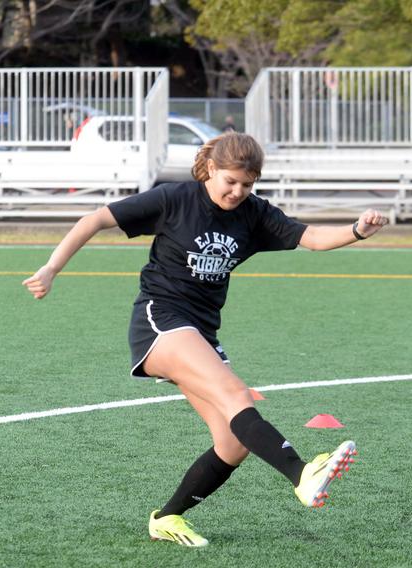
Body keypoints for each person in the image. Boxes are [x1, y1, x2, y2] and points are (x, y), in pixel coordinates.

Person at [23, 132, 388, 547]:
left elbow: (312, 238)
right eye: (230, 181)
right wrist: (52, 267)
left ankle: (165, 517)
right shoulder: (174, 199)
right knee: (235, 392)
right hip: (160, 321)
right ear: (211, 169)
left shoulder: (253, 214)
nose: (238, 192)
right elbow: (96, 219)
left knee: (233, 443)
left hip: (200, 331)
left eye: (248, 185)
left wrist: (357, 229)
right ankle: (301, 474)